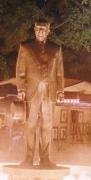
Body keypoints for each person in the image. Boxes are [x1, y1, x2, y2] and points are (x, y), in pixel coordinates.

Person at [16, 19, 65, 168]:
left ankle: (45, 159)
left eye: (44, 29)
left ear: (49, 31)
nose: (41, 31)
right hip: (32, 91)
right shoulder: (25, 47)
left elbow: (60, 72)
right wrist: (21, 89)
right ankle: (28, 158)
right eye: (38, 29)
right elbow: (20, 70)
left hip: (50, 91)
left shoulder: (56, 49)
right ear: (34, 30)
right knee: (30, 126)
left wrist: (61, 90)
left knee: (47, 126)